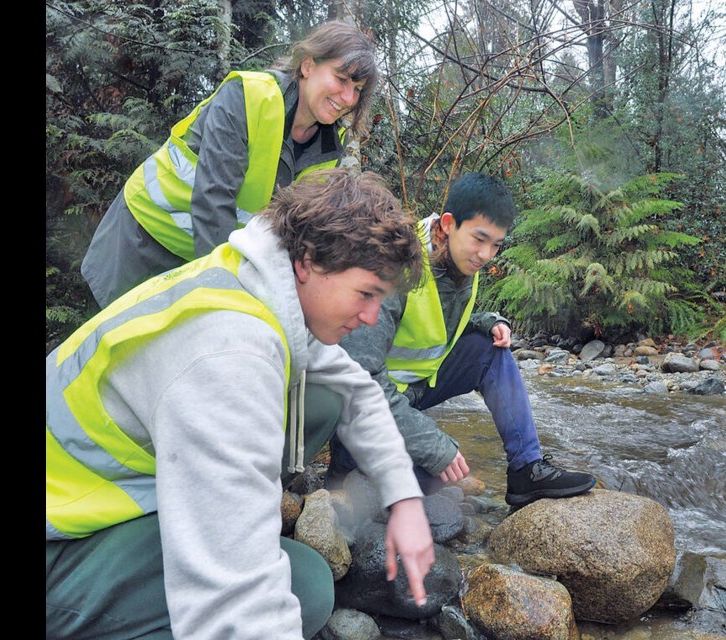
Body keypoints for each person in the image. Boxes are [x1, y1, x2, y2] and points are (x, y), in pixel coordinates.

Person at [47, 170, 435, 640]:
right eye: (366, 293)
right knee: (306, 587)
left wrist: (404, 498)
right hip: (59, 540)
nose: (373, 316)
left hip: (93, 496)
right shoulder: (229, 355)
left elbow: (356, 386)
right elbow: (235, 608)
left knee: (322, 395)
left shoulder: (253, 282)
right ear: (309, 260)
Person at [330, 173, 596, 507]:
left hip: (413, 393)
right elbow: (358, 378)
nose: (486, 255)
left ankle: (527, 469)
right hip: (364, 406)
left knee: (491, 350)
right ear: (447, 223)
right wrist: (433, 444)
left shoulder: (460, 259)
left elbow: (435, 320)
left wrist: (487, 322)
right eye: (479, 239)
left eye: (496, 245)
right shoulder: (393, 263)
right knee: (406, 485)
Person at [82, 20, 379, 308]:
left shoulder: (329, 149)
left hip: (204, 258)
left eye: (358, 89)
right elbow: (214, 201)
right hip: (144, 238)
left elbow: (295, 231)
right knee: (109, 346)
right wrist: (229, 297)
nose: (348, 97)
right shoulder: (248, 95)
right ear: (308, 65)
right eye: (342, 79)